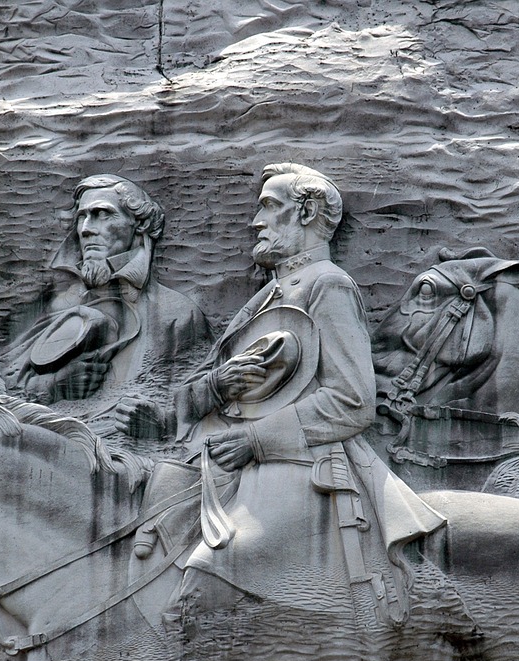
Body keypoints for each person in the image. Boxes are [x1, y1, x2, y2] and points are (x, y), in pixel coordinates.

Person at [127, 163, 446, 623]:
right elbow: (201, 388)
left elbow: (353, 401)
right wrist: (217, 385)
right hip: (218, 459)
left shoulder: (327, 284)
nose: (256, 221)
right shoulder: (263, 298)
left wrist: (257, 440)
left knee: (202, 589)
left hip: (299, 464)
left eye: (269, 207)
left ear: (308, 211)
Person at [4, 175, 209, 406]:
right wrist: (55, 384)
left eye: (102, 214)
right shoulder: (59, 306)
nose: (85, 229)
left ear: (139, 223)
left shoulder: (177, 315)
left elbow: (197, 397)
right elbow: (3, 387)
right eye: (82, 217)